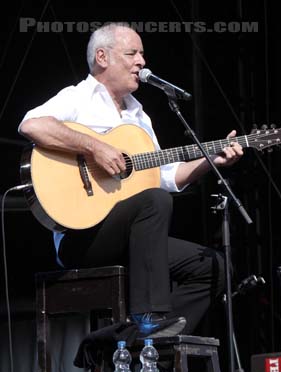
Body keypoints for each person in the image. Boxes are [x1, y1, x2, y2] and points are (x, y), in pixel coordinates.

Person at [18, 22, 244, 338]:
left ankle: (133, 341)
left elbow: (165, 176)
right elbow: (31, 125)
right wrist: (94, 147)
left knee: (214, 268)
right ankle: (148, 316)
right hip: (82, 237)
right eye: (132, 53)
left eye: (142, 54)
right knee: (154, 201)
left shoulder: (139, 116)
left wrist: (210, 161)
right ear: (102, 57)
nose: (141, 61)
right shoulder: (78, 97)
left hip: (133, 239)